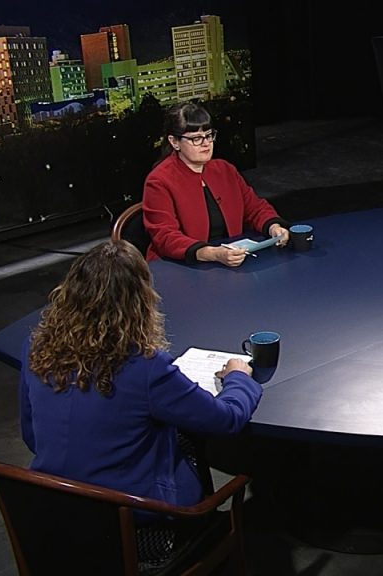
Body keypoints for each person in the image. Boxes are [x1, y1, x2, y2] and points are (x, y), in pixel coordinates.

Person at [19, 239, 263, 510]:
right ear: (140, 300)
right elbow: (227, 419)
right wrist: (238, 377)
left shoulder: (36, 346)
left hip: (53, 510)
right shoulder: (144, 366)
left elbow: (32, 435)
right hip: (134, 517)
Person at [143, 101, 290, 265]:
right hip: (179, 265)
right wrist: (211, 254)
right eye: (196, 139)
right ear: (174, 142)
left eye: (208, 135)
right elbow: (165, 236)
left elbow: (255, 208)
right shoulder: (159, 181)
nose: (206, 143)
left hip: (228, 262)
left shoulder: (225, 170)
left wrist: (273, 226)